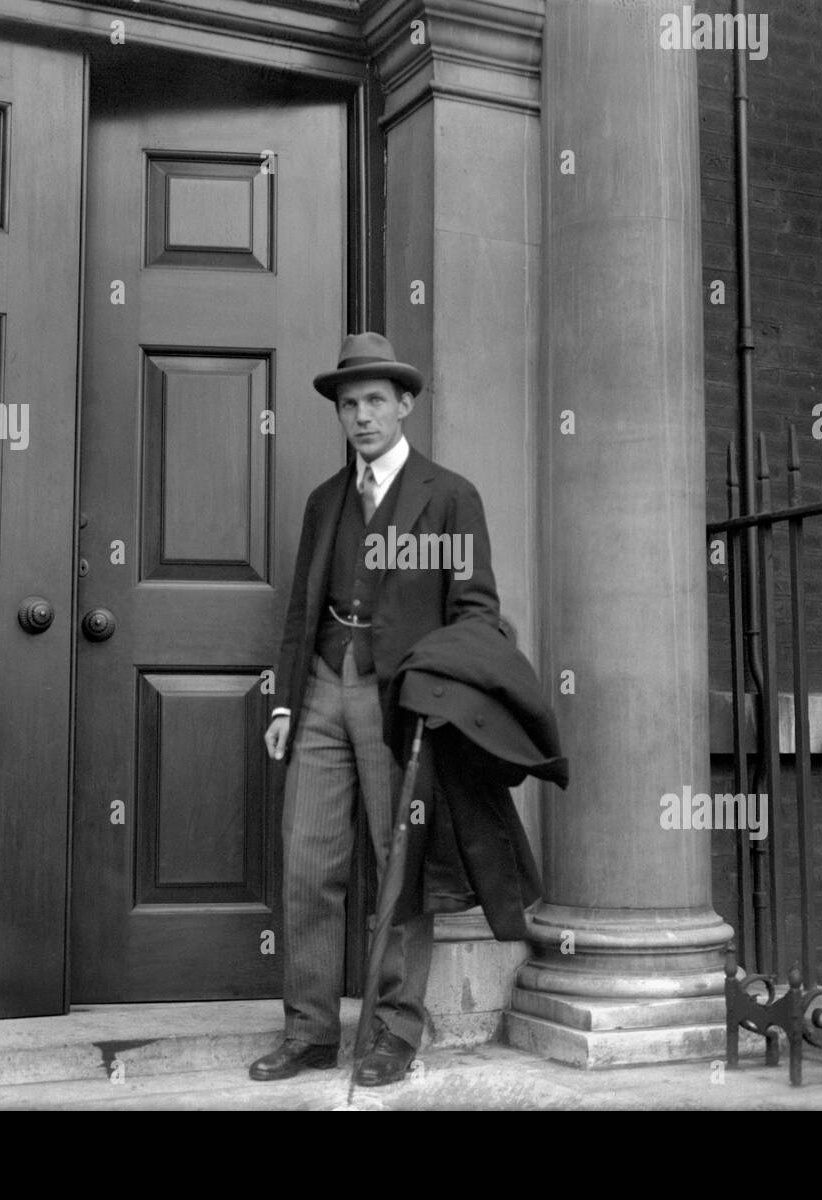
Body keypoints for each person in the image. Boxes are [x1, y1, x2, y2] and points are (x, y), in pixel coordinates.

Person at [248, 332, 501, 1087]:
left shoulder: (450, 495)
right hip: (325, 686)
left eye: (375, 402)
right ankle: (311, 1032)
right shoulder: (327, 500)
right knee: (307, 863)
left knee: (401, 870)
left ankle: (392, 1032)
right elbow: (300, 611)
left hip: (402, 702)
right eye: (349, 404)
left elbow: (477, 610)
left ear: (405, 405)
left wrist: (442, 700)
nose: (361, 416)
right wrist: (287, 703)